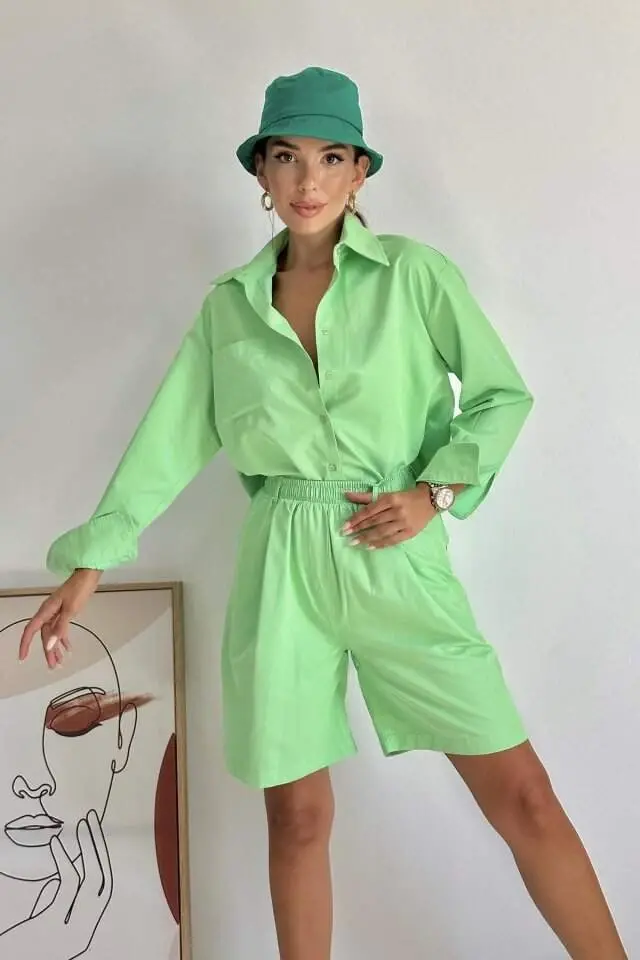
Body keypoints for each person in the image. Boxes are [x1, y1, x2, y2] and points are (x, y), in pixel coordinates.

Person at [18, 66, 626, 959]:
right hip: (282, 565)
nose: (308, 179)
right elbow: (167, 440)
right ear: (260, 173)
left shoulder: (413, 275)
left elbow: (501, 395)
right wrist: (90, 564)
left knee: (523, 796)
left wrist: (435, 493)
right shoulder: (229, 308)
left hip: (396, 551)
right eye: (286, 157)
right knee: (297, 818)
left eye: (331, 157)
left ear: (360, 172)